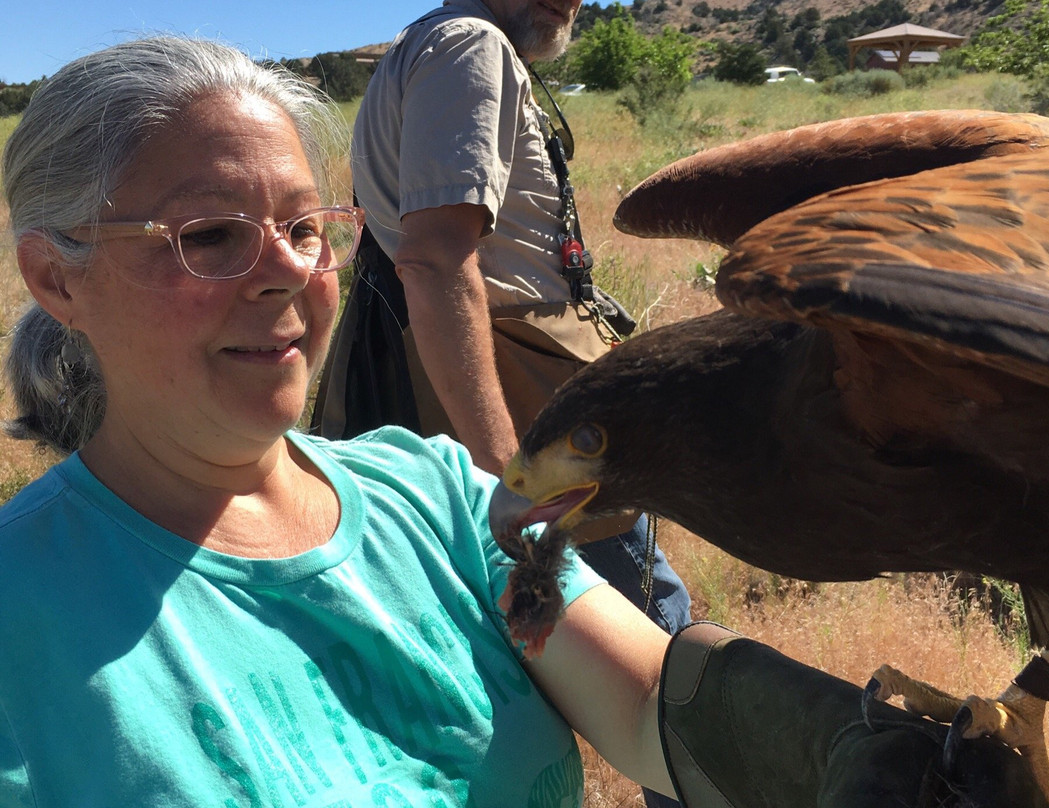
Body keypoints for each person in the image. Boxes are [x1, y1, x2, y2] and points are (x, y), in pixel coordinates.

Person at [0, 36, 676, 806]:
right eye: (209, 236)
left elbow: (655, 702)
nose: (290, 269)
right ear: (57, 279)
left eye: (304, 228)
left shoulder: (438, 496)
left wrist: (822, 731)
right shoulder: (18, 615)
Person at [323, 11, 691, 800]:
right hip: (524, 408)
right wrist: (513, 476)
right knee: (664, 664)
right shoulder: (470, 44)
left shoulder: (424, 48)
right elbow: (435, 255)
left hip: (496, 389)